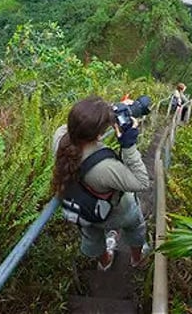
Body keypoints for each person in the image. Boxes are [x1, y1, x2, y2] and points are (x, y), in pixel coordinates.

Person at [51, 95, 151, 270]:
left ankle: (105, 262)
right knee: (135, 225)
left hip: (82, 208)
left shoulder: (60, 137)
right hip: (116, 213)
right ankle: (137, 259)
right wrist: (128, 146)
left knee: (91, 234)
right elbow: (142, 182)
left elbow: (78, 126)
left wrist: (107, 111)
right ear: (99, 134)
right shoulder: (104, 167)